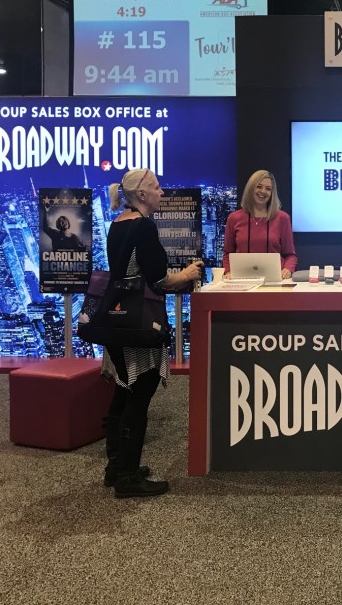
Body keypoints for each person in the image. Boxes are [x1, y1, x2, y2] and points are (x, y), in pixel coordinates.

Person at [102, 168, 203, 498]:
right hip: (138, 326)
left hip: (116, 321)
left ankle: (116, 466)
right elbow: (159, 278)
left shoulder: (118, 224)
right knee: (139, 395)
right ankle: (128, 477)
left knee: (122, 392)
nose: (162, 192)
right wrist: (187, 273)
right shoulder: (143, 226)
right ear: (142, 195)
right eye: (157, 188)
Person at [223, 169, 297, 278]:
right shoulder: (234, 218)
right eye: (259, 186)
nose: (263, 191)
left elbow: (290, 255)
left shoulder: (283, 218)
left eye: (268, 188)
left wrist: (288, 269)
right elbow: (227, 254)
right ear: (250, 188)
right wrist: (228, 272)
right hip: (241, 281)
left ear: (272, 193)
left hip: (274, 281)